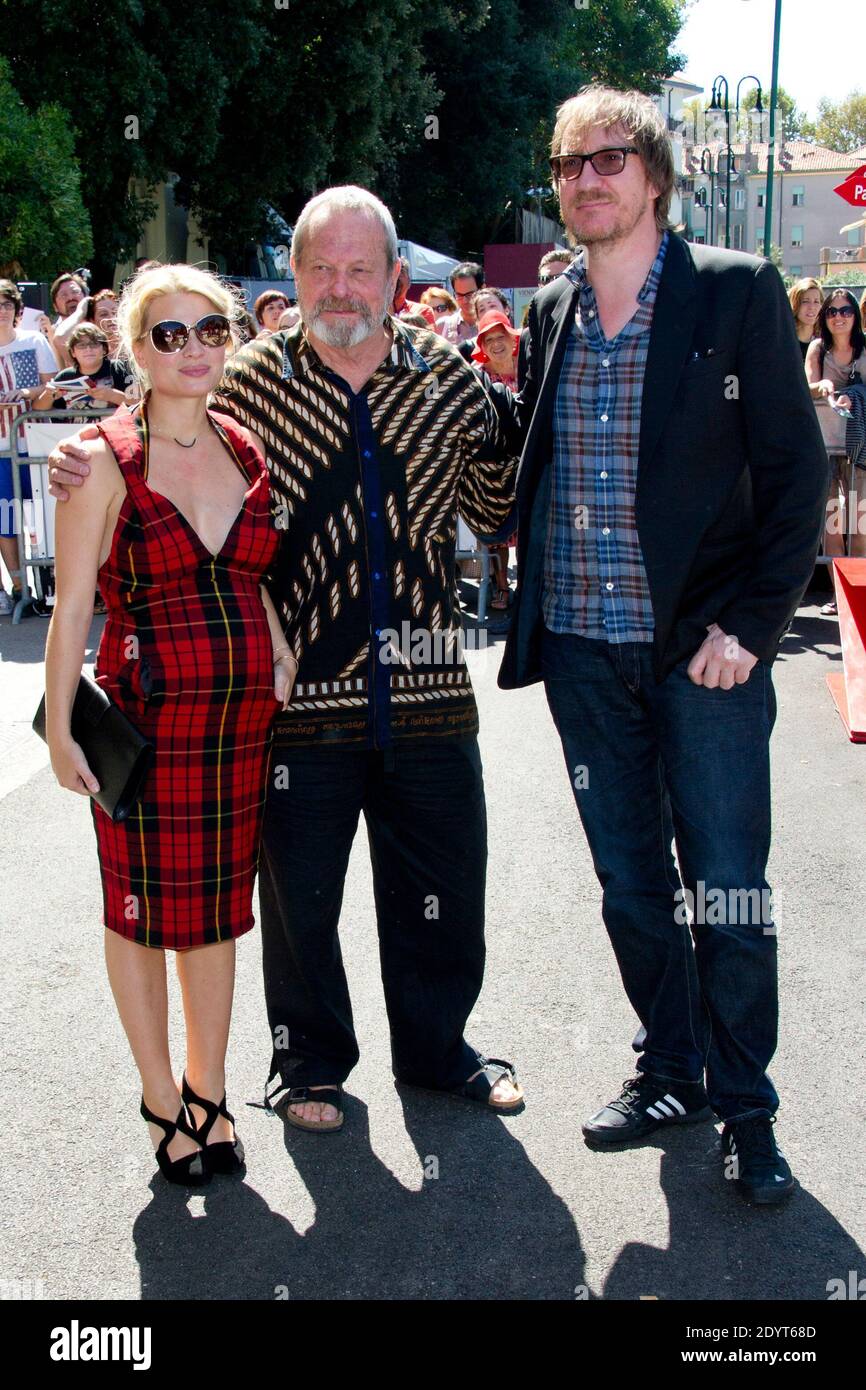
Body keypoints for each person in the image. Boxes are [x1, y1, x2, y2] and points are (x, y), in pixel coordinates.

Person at [48, 186, 523, 1133]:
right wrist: (78, 456)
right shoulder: (248, 376)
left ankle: (439, 1050)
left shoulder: (446, 373)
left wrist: (513, 414)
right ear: (296, 277)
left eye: (359, 268)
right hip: (297, 699)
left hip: (428, 678)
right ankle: (306, 1063)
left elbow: (498, 507)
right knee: (299, 898)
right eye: (319, 268)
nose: (339, 286)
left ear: (396, 276)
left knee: (442, 881)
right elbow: (156, 427)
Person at [492, 84, 827, 1205]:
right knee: (631, 886)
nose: (586, 178)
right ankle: (669, 1067)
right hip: (586, 655)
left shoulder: (732, 292)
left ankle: (747, 1107)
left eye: (609, 157)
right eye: (569, 164)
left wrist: (751, 624)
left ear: (653, 172)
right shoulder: (550, 311)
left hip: (705, 657)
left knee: (724, 885)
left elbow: (792, 479)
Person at [43, 263, 295, 1185]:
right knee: (141, 914)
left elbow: (251, 571)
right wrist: (62, 730)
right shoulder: (103, 457)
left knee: (220, 917)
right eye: (168, 334)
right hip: (148, 731)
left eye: (210, 331)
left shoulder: (245, 445)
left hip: (239, 729)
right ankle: (159, 1096)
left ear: (231, 339)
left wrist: (275, 637)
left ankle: (210, 1090)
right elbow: (72, 609)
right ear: (135, 350)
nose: (193, 349)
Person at [0, 279, 57, 614]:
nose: (2, 311)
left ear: (17, 310)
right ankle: (19, 589)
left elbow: (53, 385)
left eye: (7, 304)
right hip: (1, 450)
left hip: (32, 443)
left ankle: (46, 589)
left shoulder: (33, 340)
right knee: (6, 519)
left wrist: (28, 394)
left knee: (40, 520)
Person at [806, 289, 866, 590]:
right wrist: (824, 386)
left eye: (845, 311)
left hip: (860, 449)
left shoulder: (864, 349)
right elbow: (808, 384)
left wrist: (854, 396)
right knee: (832, 523)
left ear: (855, 315)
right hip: (824, 446)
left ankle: (858, 593)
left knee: (860, 523)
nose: (838, 317)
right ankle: (839, 594)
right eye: (832, 312)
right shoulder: (818, 348)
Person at [471, 310, 520, 612]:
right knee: (496, 536)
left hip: (524, 456)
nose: (496, 344)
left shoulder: (528, 364)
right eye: (489, 340)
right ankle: (501, 586)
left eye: (500, 336)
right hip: (495, 460)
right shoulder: (478, 373)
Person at [435, 261, 483, 344]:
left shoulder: (494, 325)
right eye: (459, 295)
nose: (465, 301)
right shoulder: (442, 327)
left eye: (470, 294)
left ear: (482, 289)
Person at [392, 257, 436, 326]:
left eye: (401, 272)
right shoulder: (375, 311)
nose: (396, 278)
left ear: (409, 280)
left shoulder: (423, 311)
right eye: (391, 272)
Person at [788, 278, 823, 361]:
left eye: (816, 301)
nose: (812, 307)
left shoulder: (824, 342)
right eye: (805, 301)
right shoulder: (785, 339)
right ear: (795, 304)